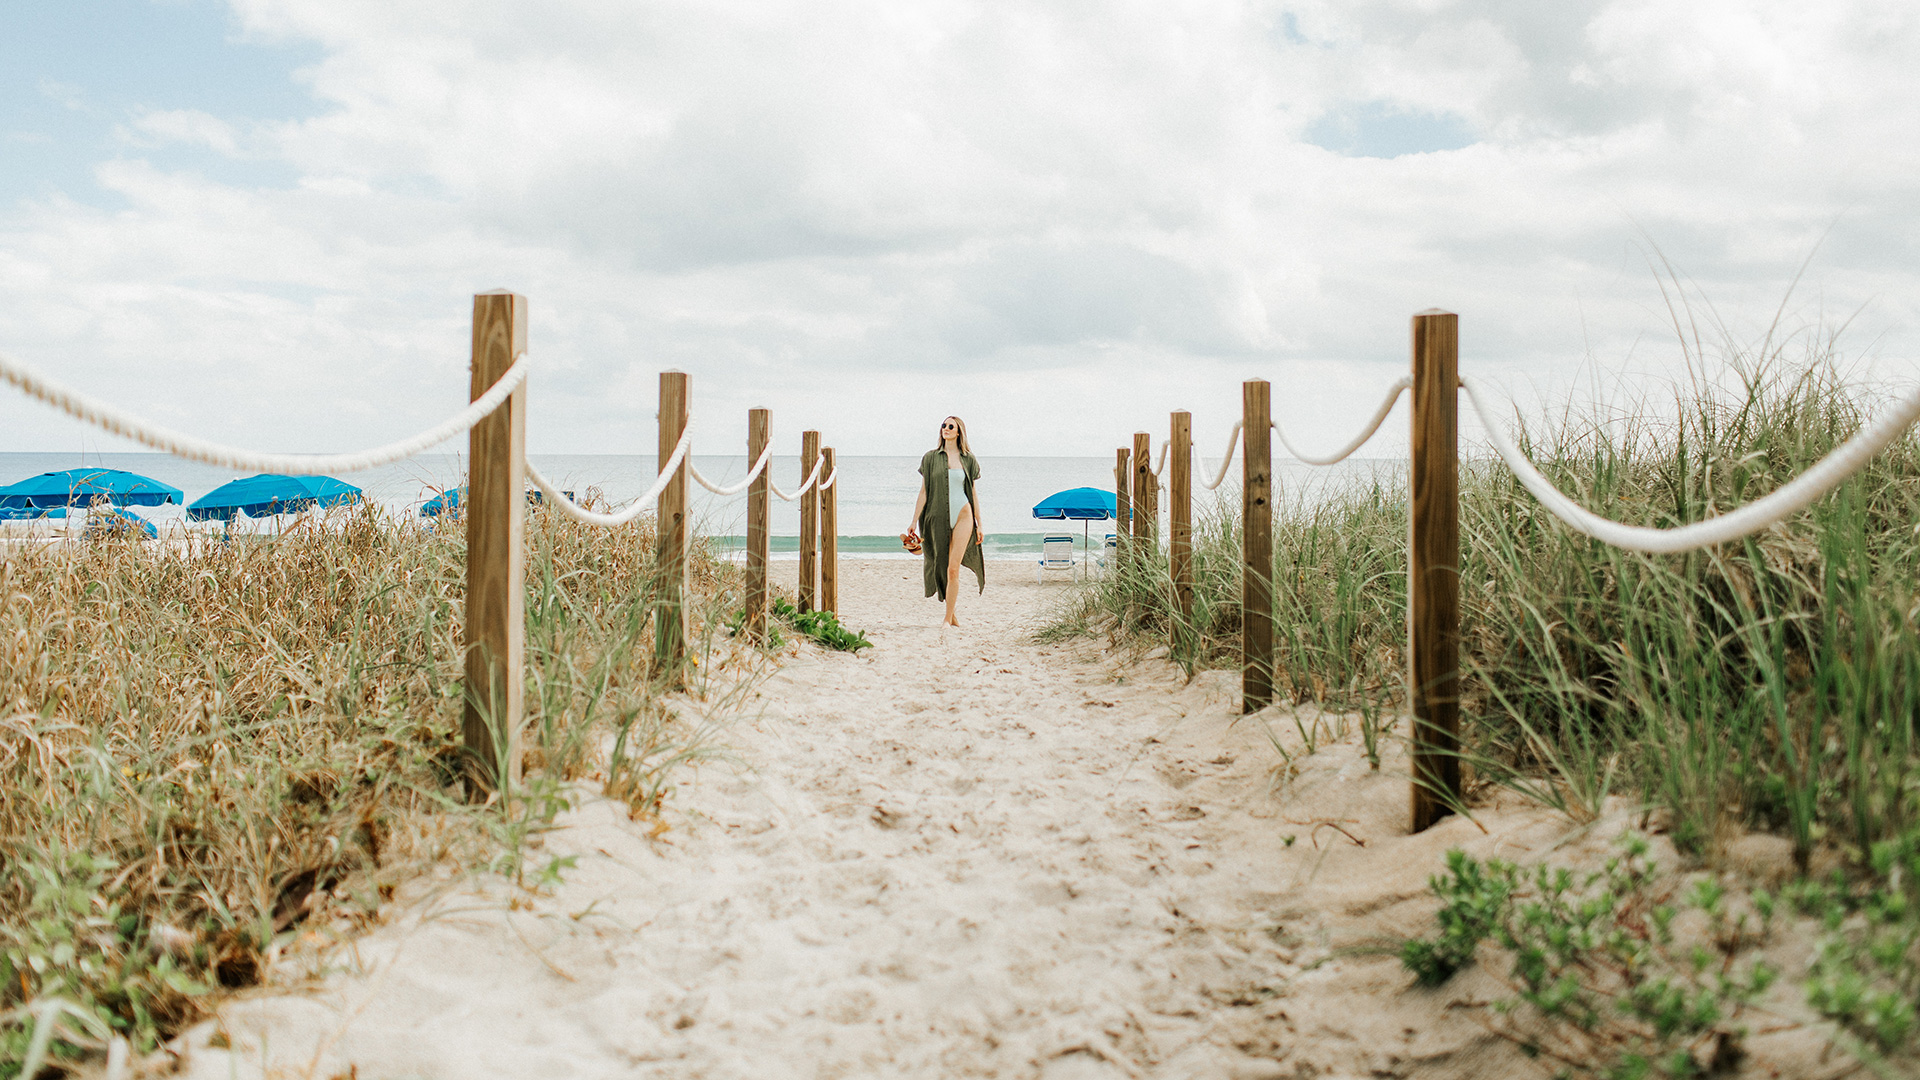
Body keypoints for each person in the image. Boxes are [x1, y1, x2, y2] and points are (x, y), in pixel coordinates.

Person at [907, 415, 986, 625]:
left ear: (959, 431)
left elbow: (974, 493)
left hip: (964, 515)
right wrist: (914, 521)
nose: (946, 428)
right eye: (943, 425)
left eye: (951, 426)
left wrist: (979, 523)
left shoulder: (968, 459)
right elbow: (923, 492)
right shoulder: (930, 458)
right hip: (937, 517)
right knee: (939, 565)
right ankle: (952, 615)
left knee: (953, 568)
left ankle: (946, 618)